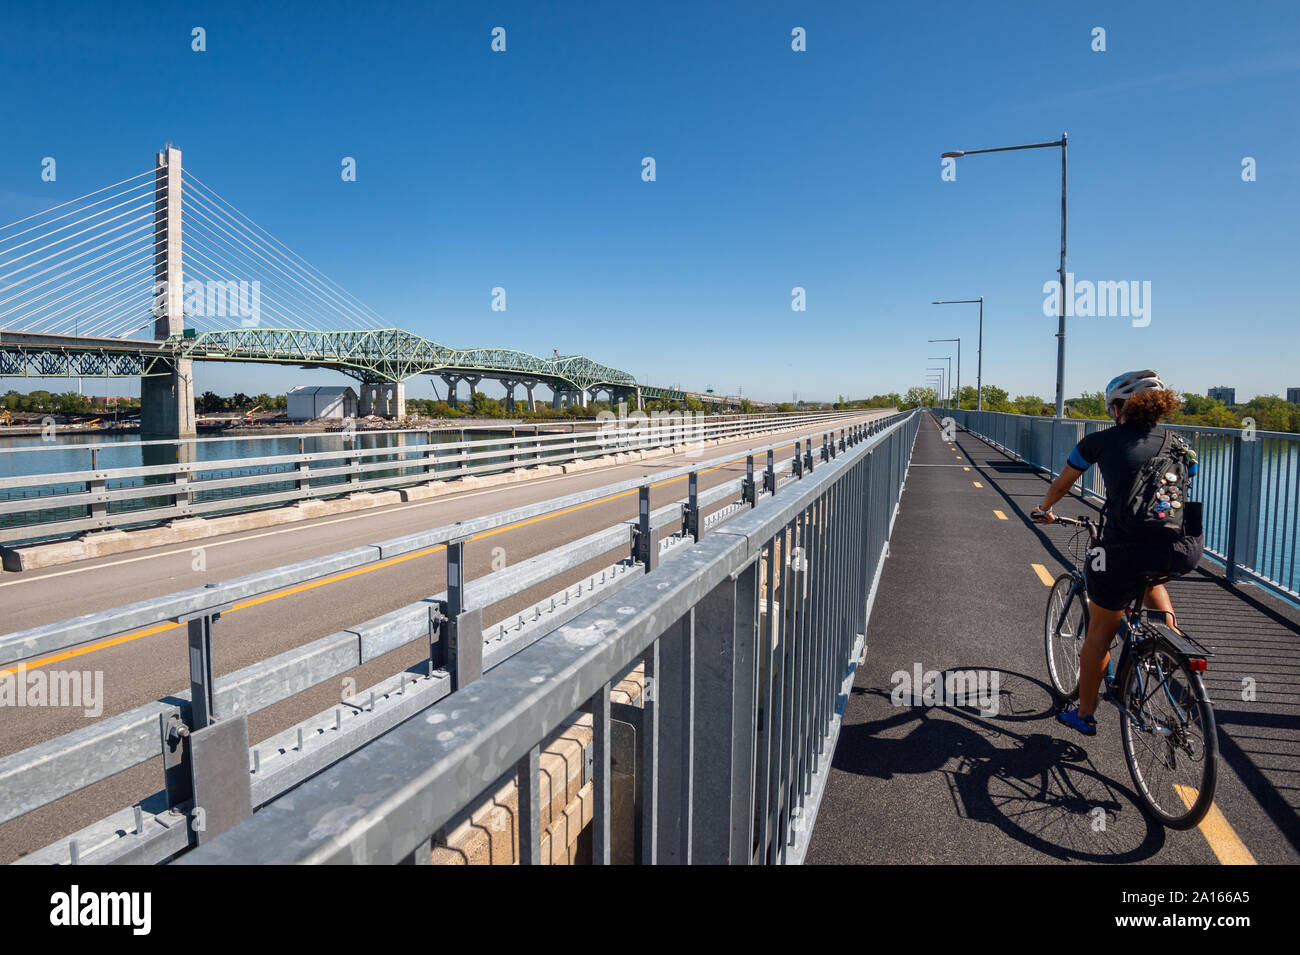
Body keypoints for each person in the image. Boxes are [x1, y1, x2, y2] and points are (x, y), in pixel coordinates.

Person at [1029, 370, 1204, 736]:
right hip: (1181, 548)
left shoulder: (1097, 442)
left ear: (1119, 407)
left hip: (1121, 550)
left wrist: (1045, 508)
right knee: (1152, 577)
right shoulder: (1180, 443)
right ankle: (1167, 643)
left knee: (1100, 632)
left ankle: (1085, 715)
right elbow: (1187, 478)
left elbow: (1064, 482)